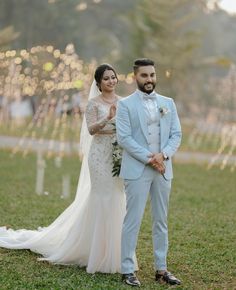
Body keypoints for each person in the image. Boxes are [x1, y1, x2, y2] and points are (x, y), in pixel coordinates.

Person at [0, 64, 126, 274]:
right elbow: (91, 130)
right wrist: (108, 118)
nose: (111, 81)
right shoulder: (93, 104)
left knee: (116, 197)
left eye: (113, 77)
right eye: (106, 78)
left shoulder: (124, 102)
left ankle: (115, 252)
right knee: (101, 197)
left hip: (117, 154)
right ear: (98, 83)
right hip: (98, 156)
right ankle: (93, 253)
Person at [116, 58, 182, 287]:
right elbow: (124, 138)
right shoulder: (125, 105)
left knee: (161, 221)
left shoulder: (168, 102)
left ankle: (161, 269)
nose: (149, 79)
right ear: (135, 77)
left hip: (163, 169)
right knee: (132, 221)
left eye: (152, 75)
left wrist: (162, 155)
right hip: (137, 170)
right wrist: (151, 159)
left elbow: (176, 135)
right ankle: (127, 270)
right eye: (144, 75)